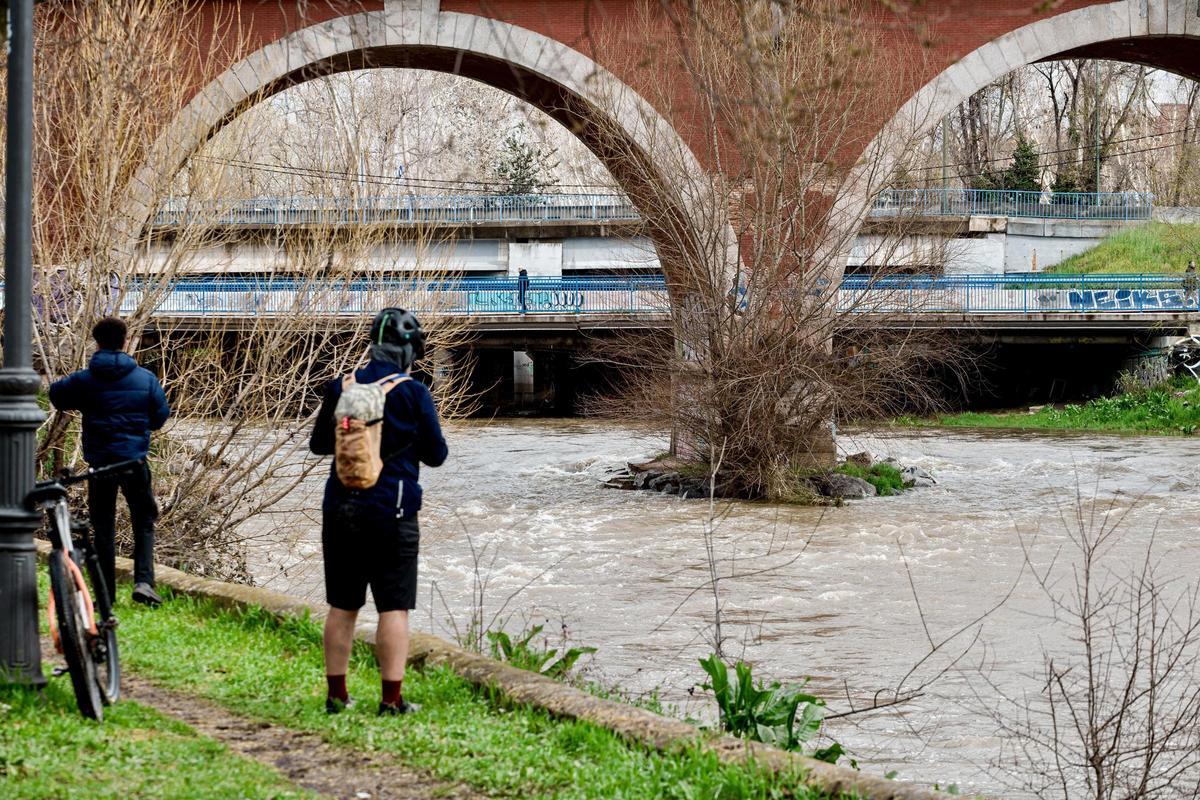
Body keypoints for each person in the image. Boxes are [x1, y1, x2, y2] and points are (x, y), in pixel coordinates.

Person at [309, 308, 448, 716]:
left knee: (342, 605)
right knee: (393, 607)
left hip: (340, 508)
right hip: (394, 509)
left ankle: (336, 696)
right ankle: (391, 701)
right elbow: (437, 455)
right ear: (408, 351)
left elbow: (319, 445)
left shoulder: (342, 386)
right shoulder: (412, 392)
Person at [48, 317, 170, 607]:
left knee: (102, 526)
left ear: (97, 342)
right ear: (125, 341)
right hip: (134, 462)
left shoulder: (84, 380)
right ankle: (143, 582)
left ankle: (107, 593)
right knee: (144, 521)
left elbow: (56, 396)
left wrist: (86, 400)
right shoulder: (145, 378)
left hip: (100, 464)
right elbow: (159, 417)